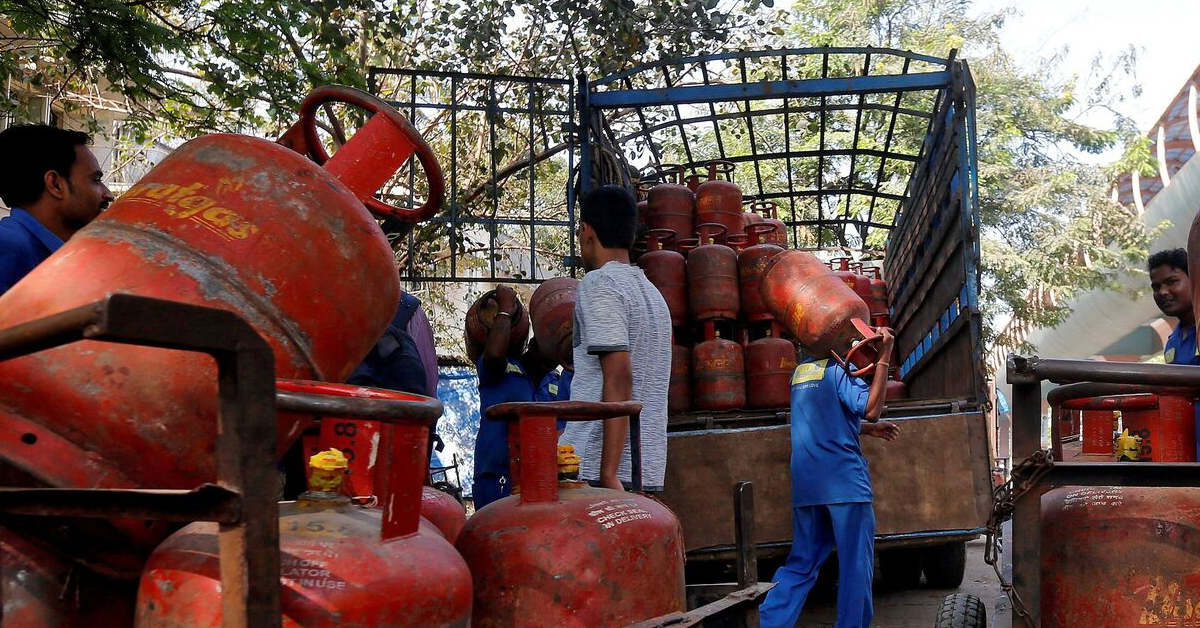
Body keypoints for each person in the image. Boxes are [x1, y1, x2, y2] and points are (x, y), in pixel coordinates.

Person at [758, 332, 901, 628]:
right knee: (855, 566)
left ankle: (769, 623)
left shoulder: (800, 374)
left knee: (801, 564)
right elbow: (872, 409)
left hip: (808, 485)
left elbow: (823, 418)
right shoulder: (840, 371)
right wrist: (884, 356)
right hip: (845, 485)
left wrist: (863, 430)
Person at [561, 185, 671, 492]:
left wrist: (608, 473)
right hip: (644, 468)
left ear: (586, 231)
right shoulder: (652, 293)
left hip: (597, 469)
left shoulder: (599, 283)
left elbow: (620, 375)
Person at [0, 124, 114, 295]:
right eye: (95, 180)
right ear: (55, 184)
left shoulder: (56, 255)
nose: (108, 194)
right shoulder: (7, 246)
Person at [469, 285, 532, 509]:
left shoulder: (523, 368)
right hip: (496, 473)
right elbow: (495, 353)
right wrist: (505, 309)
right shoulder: (489, 365)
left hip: (522, 470)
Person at [1149, 248, 1198, 366]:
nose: (1162, 292)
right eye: (1156, 287)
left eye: (1172, 282)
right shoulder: (1173, 341)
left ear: (1195, 281)